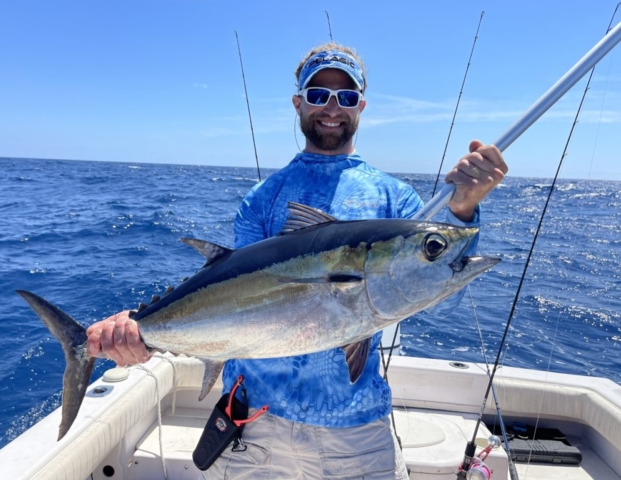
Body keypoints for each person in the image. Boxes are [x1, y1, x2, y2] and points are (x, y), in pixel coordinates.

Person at [87, 43, 507, 479]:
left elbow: (444, 297)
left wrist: (462, 211)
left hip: (357, 432)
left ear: (361, 105)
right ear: (298, 102)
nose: (331, 107)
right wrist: (144, 331)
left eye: (345, 97)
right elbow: (232, 299)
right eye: (318, 94)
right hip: (253, 429)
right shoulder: (262, 200)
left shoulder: (395, 200)